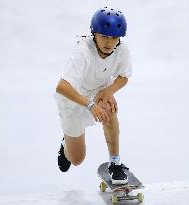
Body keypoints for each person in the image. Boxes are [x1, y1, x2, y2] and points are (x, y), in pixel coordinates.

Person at [54, 7, 132, 185]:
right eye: (104, 36)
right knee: (76, 159)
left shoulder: (122, 49)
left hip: (97, 90)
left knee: (110, 107)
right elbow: (61, 87)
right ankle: (66, 142)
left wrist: (108, 91)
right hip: (72, 97)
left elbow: (123, 77)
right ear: (94, 34)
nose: (109, 43)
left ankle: (115, 163)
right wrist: (90, 105)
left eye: (114, 38)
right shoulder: (82, 52)